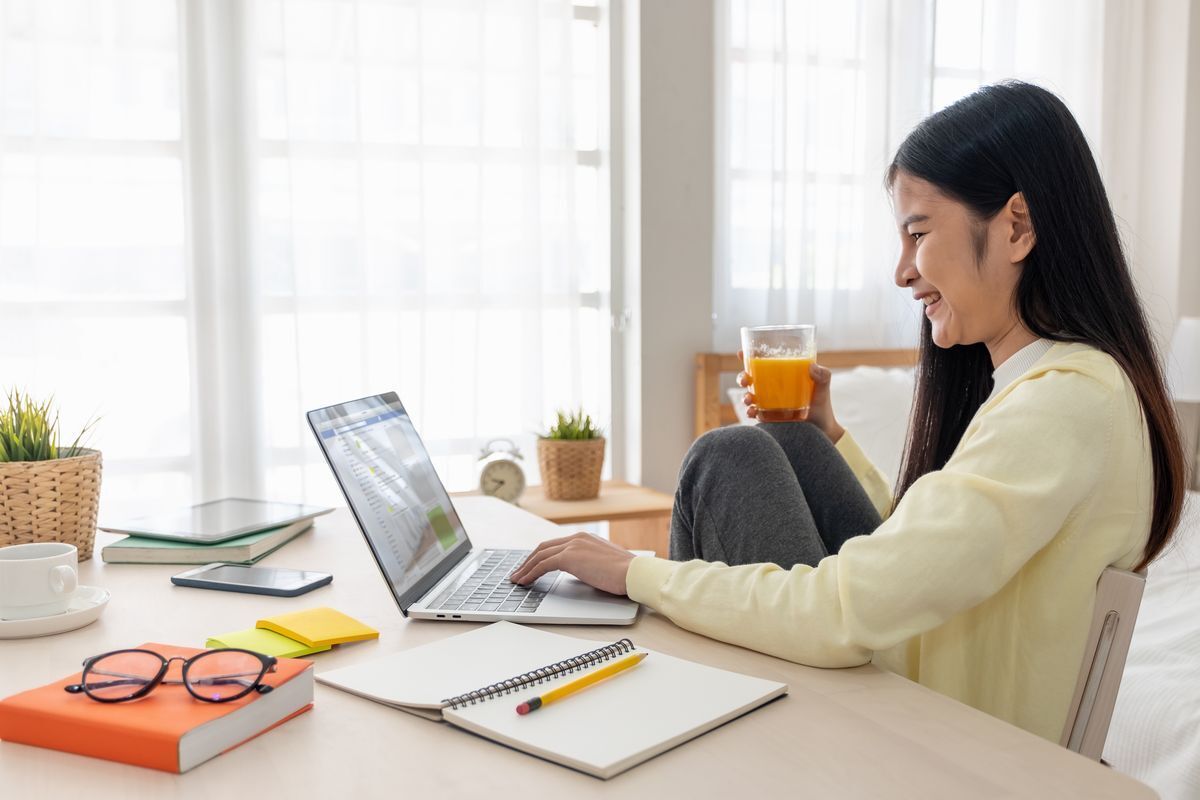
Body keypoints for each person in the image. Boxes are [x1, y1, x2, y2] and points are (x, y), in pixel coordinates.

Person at [510, 81, 1186, 742]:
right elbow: (919, 556)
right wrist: (829, 436)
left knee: (730, 454)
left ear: (1017, 225)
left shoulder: (1063, 404)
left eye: (917, 233)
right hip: (923, 686)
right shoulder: (1060, 386)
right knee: (789, 441)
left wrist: (634, 571)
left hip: (926, 744)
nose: (902, 271)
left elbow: (846, 607)